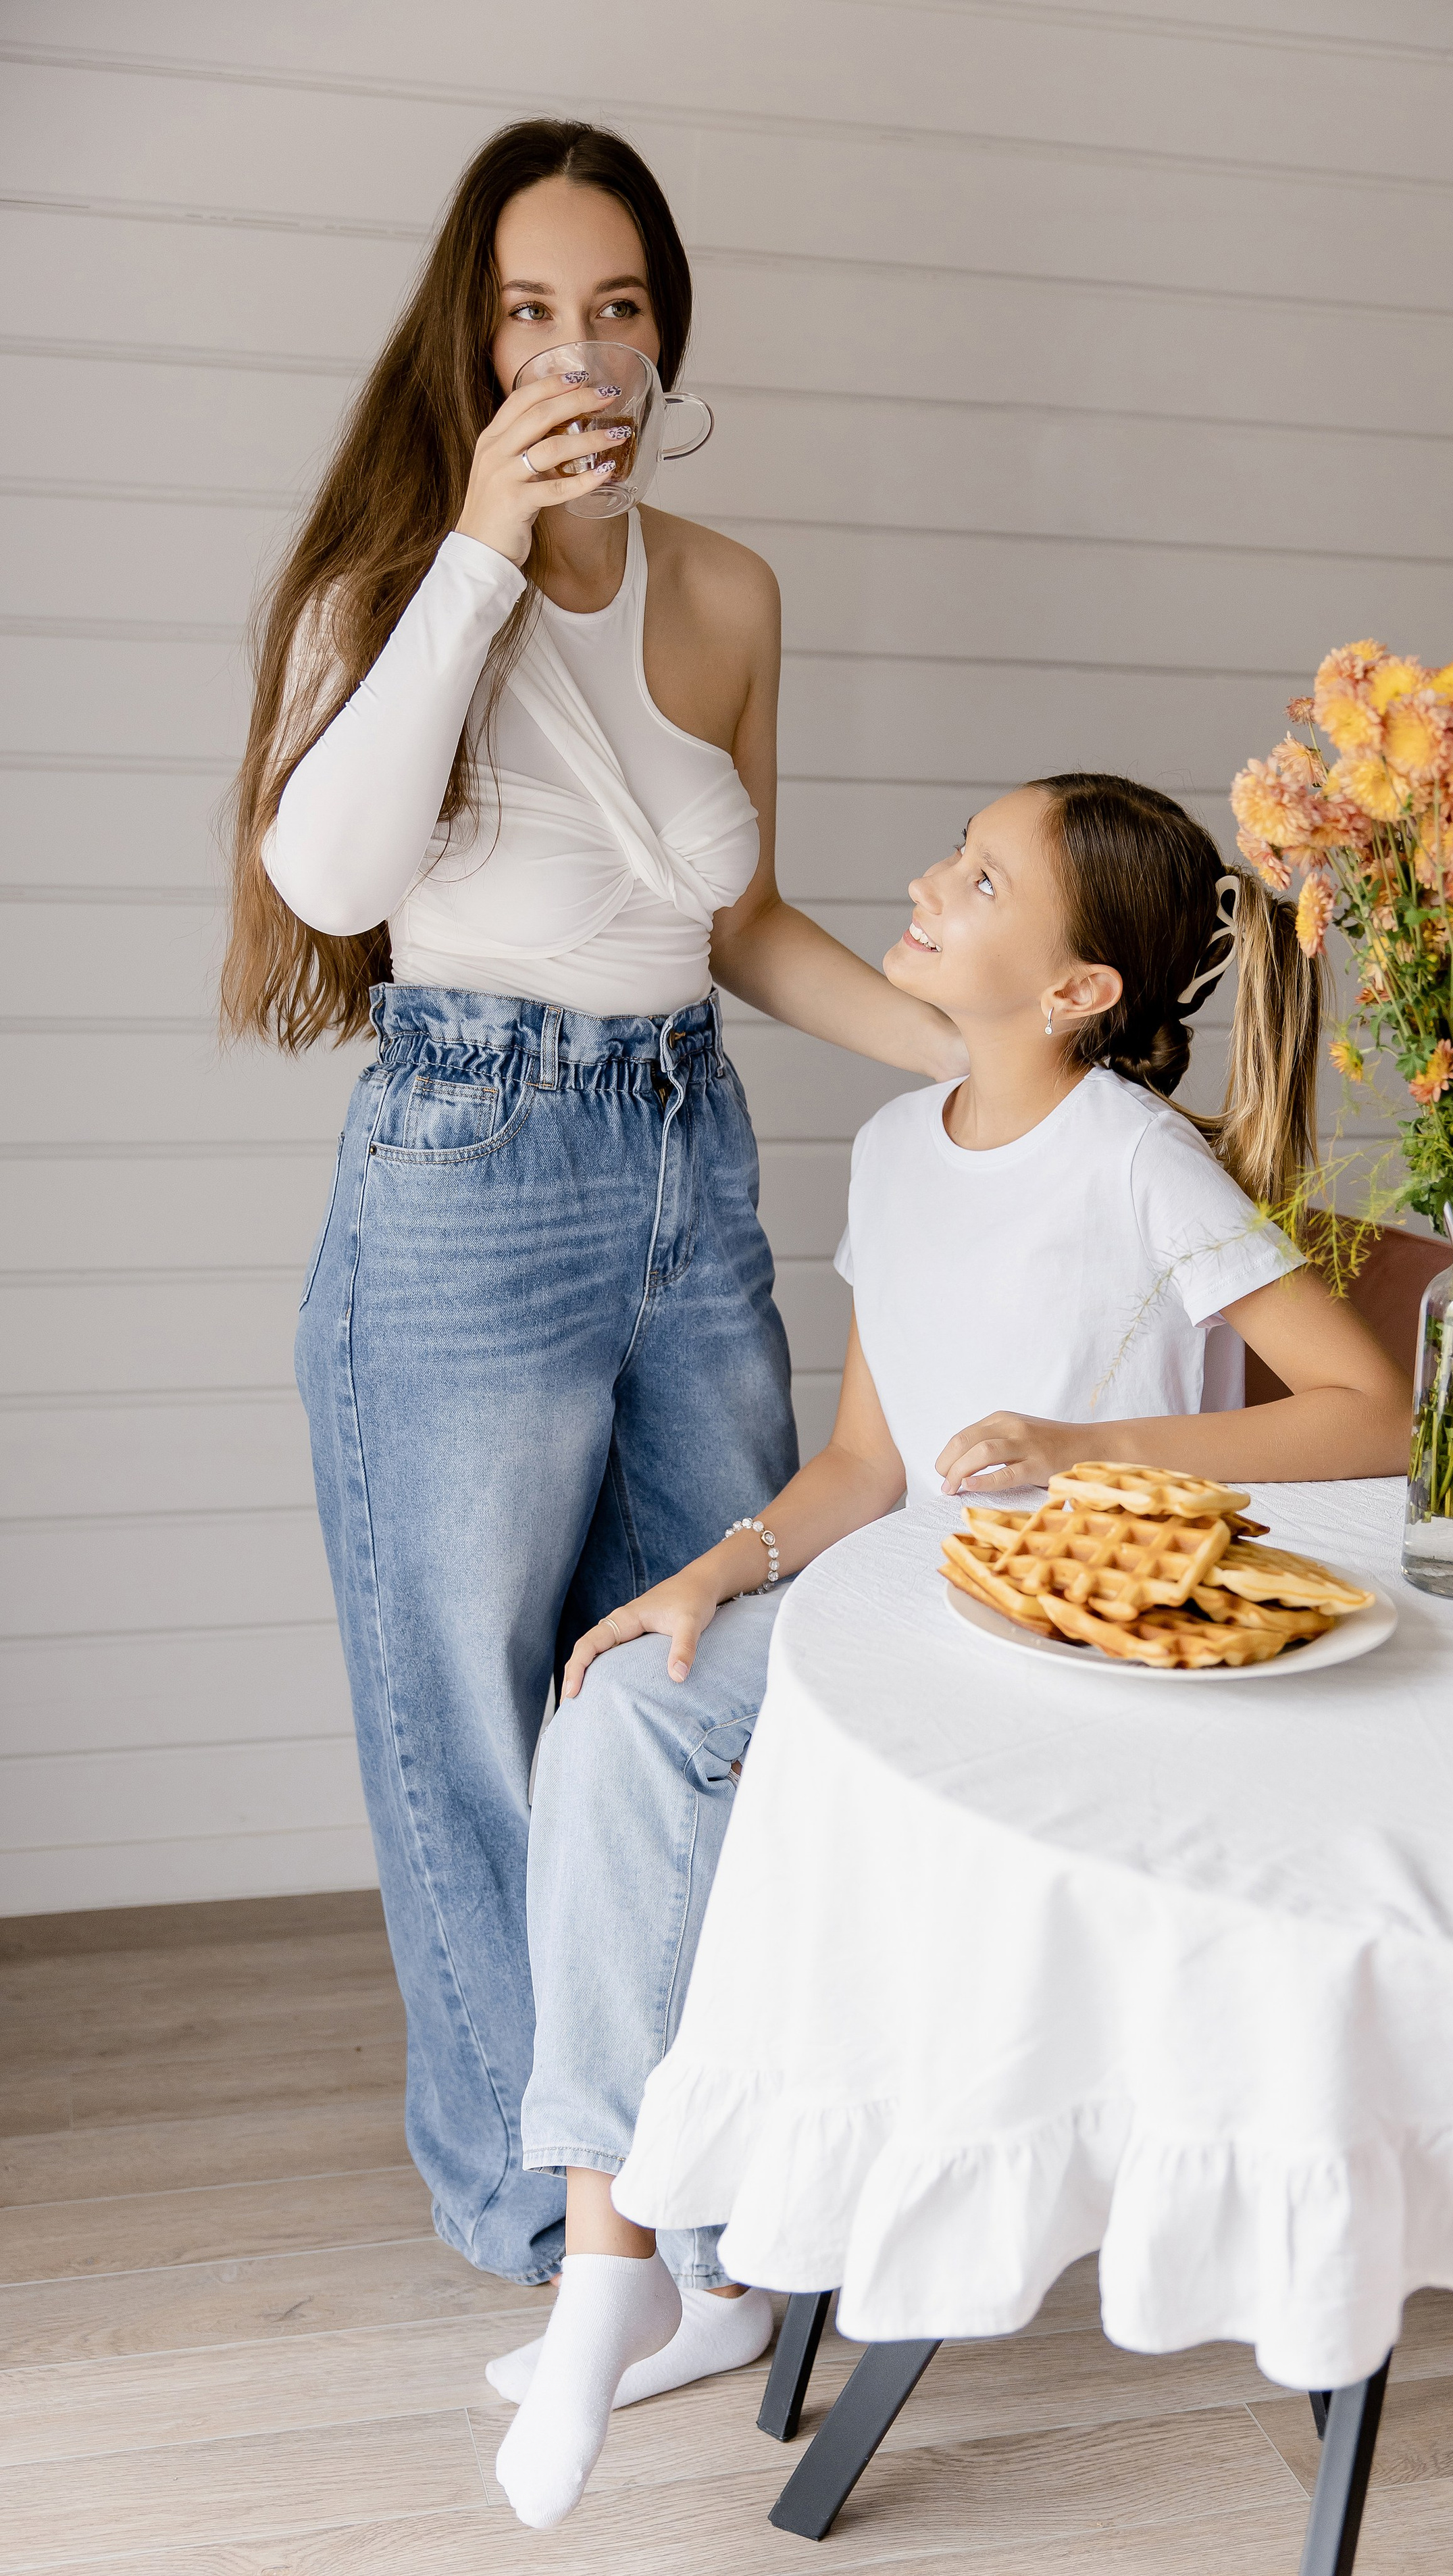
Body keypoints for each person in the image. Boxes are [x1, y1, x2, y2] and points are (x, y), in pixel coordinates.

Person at [487, 772, 1412, 2527]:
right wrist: (716, 1576)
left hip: (1068, 1668)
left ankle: (696, 2260)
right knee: (621, 1704)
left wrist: (1087, 1448)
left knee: (725, 1792)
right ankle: (627, 2254)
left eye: (981, 879)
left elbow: (1368, 1413)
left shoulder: (1138, 1160)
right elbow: (863, 1465)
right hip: (897, 1615)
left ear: (1076, 992)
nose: (928, 882)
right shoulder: (899, 1150)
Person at [220, 121, 963, 2296]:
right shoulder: (382, 590)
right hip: (465, 1178)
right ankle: (539, 2209)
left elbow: (728, 916)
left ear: (667, 333)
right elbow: (334, 883)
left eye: (618, 308)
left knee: (705, 1671)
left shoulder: (727, 593)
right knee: (470, 1709)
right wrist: (475, 549)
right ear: (473, 340)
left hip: (684, 1162)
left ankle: (705, 2165)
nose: (582, 350)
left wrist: (974, 1054)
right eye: (533, 311)